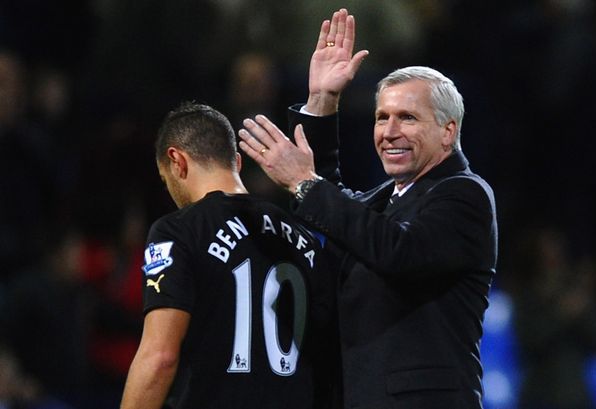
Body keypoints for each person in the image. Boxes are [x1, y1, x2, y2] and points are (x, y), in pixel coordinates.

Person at [238, 8, 497, 409]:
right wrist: (323, 100)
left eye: (407, 118)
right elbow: (335, 203)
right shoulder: (385, 198)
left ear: (448, 131)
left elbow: (396, 250)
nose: (389, 132)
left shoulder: (464, 195)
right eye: (382, 118)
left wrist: (303, 183)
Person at [120, 102, 339, 409]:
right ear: (235, 161)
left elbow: (160, 357)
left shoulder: (179, 231)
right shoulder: (304, 237)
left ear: (177, 161)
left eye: (164, 179)